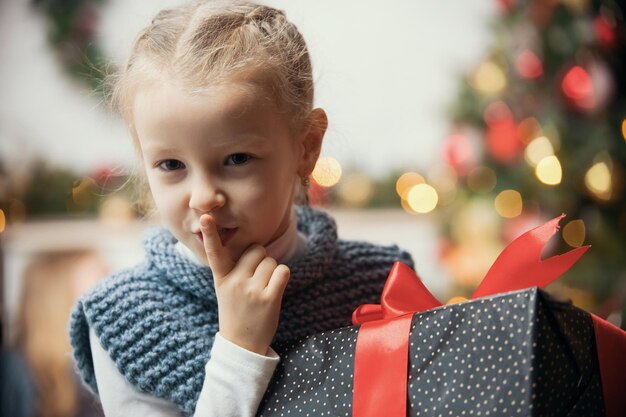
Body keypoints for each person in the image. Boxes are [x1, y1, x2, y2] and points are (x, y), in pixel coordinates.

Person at [69, 1, 415, 416]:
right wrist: (239, 349)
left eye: (237, 159)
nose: (203, 198)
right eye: (171, 165)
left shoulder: (383, 282)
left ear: (306, 147)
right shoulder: (124, 319)